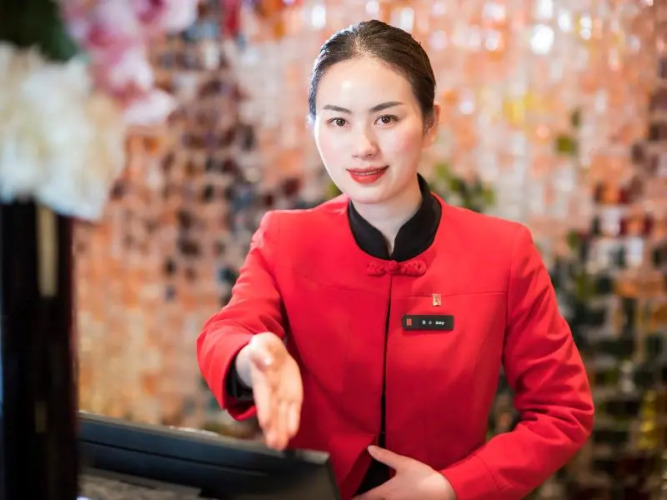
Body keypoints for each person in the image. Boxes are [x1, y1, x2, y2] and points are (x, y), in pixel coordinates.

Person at [197, 19, 594, 500]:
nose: (362, 147)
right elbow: (226, 332)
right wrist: (253, 356)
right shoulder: (286, 239)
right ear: (314, 126)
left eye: (386, 119)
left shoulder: (503, 253)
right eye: (338, 121)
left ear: (430, 123)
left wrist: (452, 487)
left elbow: (563, 410)